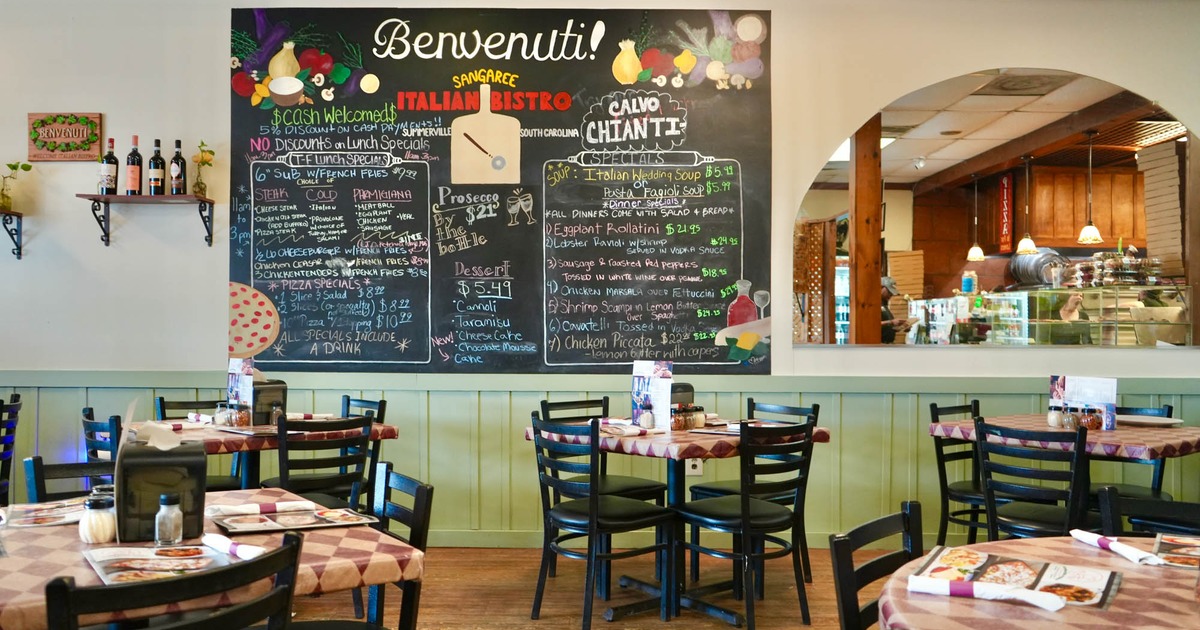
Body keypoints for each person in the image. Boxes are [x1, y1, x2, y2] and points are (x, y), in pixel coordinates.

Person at [881, 276, 910, 343]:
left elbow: (885, 326)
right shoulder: (872, 305)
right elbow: (871, 324)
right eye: (889, 291)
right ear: (881, 287)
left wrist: (901, 327)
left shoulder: (883, 304)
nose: (891, 295)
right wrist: (891, 322)